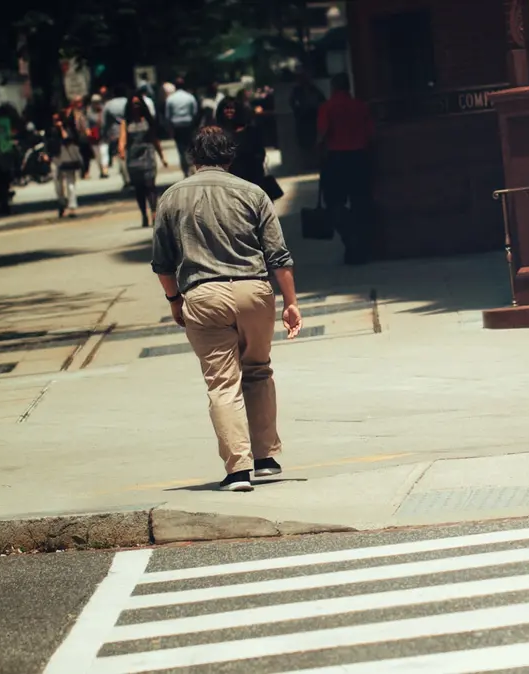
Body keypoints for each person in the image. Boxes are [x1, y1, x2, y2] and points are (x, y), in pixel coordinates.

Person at [151, 125, 303, 493]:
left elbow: (162, 263)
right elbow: (278, 256)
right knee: (258, 370)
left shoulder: (170, 198)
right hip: (253, 291)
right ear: (230, 157)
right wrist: (291, 302)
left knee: (223, 383)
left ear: (193, 159)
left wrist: (175, 302)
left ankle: (238, 471)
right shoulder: (253, 193)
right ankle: (265, 458)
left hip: (203, 295)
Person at [317, 73, 376, 265]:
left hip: (337, 158)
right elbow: (370, 133)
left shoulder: (328, 107)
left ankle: (350, 238)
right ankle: (362, 243)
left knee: (334, 203)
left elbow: (323, 133)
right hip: (359, 157)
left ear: (333, 87)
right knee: (360, 201)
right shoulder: (360, 106)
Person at [119, 93, 169, 227]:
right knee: (139, 188)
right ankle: (143, 214)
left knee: (150, 185)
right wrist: (122, 151)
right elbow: (122, 138)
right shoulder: (126, 122)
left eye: (138, 104)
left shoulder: (148, 120)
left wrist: (162, 157)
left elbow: (154, 139)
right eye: (133, 104)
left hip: (148, 154)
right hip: (133, 157)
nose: (136, 107)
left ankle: (153, 212)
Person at [214, 93, 265, 185]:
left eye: (232, 108)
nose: (229, 111)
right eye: (226, 108)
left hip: (251, 175)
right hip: (229, 177)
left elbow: (260, 152)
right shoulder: (217, 133)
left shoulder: (250, 130)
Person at [47, 112, 83, 217]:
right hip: (55, 157)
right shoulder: (50, 130)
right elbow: (47, 142)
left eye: (58, 120)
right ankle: (61, 203)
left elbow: (68, 138)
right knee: (57, 183)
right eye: (54, 120)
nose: (56, 122)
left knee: (70, 183)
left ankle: (72, 206)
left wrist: (61, 128)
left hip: (67, 157)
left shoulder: (68, 128)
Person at [165, 77, 199, 177]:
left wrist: (169, 129)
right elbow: (195, 112)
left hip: (177, 126)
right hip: (188, 125)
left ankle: (185, 171)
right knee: (190, 148)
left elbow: (168, 116)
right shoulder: (190, 97)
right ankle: (192, 168)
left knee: (180, 149)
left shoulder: (170, 99)